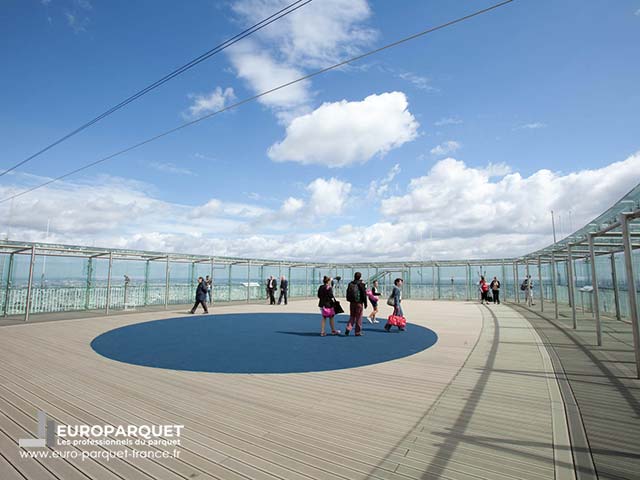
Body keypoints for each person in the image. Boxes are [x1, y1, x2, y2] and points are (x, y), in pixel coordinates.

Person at [345, 272, 367, 336]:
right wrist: (365, 303)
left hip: (352, 302)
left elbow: (347, 292)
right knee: (359, 317)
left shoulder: (350, 284)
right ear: (360, 277)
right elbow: (364, 294)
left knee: (352, 316)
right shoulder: (361, 284)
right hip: (359, 303)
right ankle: (357, 332)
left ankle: (348, 328)